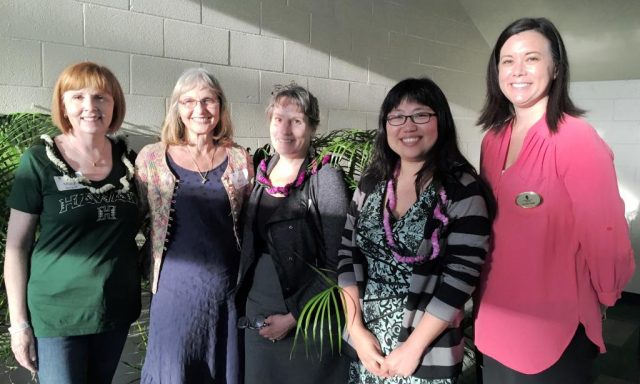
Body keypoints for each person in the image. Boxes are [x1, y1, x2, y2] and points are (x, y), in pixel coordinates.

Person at [474, 17, 635, 383]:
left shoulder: (575, 139)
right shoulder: (492, 139)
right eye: (507, 60)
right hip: (493, 319)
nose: (518, 70)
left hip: (553, 329)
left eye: (531, 58)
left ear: (556, 67)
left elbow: (606, 233)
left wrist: (605, 296)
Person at [337, 77, 492, 384]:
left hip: (425, 349)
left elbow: (461, 276)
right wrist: (356, 330)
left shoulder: (462, 190)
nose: (407, 126)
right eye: (396, 116)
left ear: (441, 122)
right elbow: (346, 254)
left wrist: (413, 347)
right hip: (368, 341)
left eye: (420, 114)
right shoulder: (372, 183)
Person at [4, 62, 140, 383]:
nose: (90, 107)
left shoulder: (130, 163)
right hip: (57, 315)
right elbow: (16, 247)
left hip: (114, 310)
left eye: (100, 98)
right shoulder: (39, 160)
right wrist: (19, 324)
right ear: (64, 105)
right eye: (77, 97)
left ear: (114, 104)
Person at [135, 68, 253, 383]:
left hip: (225, 291)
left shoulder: (240, 159)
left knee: (219, 369)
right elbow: (132, 218)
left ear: (220, 106)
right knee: (174, 370)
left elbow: (249, 222)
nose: (199, 110)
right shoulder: (152, 158)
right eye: (188, 101)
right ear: (177, 108)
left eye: (208, 100)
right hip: (173, 290)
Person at [236, 84, 351, 384]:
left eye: (296, 121)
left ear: (312, 127)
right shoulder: (261, 174)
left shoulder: (325, 179)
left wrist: (295, 317)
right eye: (278, 119)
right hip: (259, 308)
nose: (285, 129)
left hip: (308, 317)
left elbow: (337, 262)